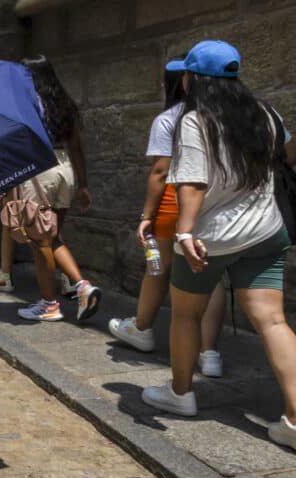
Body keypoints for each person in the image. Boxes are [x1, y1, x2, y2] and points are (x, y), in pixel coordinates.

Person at [140, 40, 296, 453]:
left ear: (193, 78)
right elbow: (289, 154)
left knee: (185, 316)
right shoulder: (265, 113)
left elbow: (191, 183)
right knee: (274, 322)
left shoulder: (196, 121)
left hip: (212, 238)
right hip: (265, 231)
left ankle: (181, 393)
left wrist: (186, 233)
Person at [108, 62, 228, 377]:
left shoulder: (169, 119)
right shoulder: (222, 115)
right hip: (213, 201)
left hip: (176, 200)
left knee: (156, 267)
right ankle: (209, 352)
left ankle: (142, 327)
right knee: (211, 276)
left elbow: (161, 171)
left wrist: (146, 215)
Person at [0, 56, 103, 323]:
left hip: (40, 172)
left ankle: (49, 304)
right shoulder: (63, 103)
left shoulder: (27, 104)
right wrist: (82, 184)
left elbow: (17, 147)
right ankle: (82, 286)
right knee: (52, 237)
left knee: (40, 241)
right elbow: (76, 147)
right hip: (65, 169)